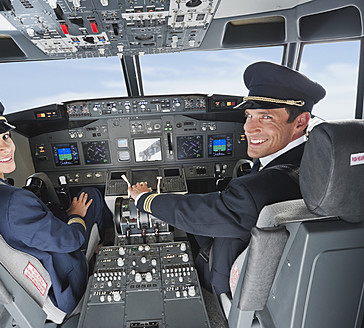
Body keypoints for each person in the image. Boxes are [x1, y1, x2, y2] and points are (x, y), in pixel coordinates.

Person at [129, 61, 326, 296]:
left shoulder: (258, 189)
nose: (248, 128)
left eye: (265, 117)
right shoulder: (319, 157)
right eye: (249, 116)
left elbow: (202, 213)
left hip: (230, 282)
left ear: (301, 121)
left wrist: (145, 199)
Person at [0, 91, 113, 314]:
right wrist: (76, 216)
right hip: (64, 289)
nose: (4, 147)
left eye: (5, 137)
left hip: (30, 270)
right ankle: (105, 246)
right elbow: (70, 240)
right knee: (91, 195)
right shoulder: (13, 203)